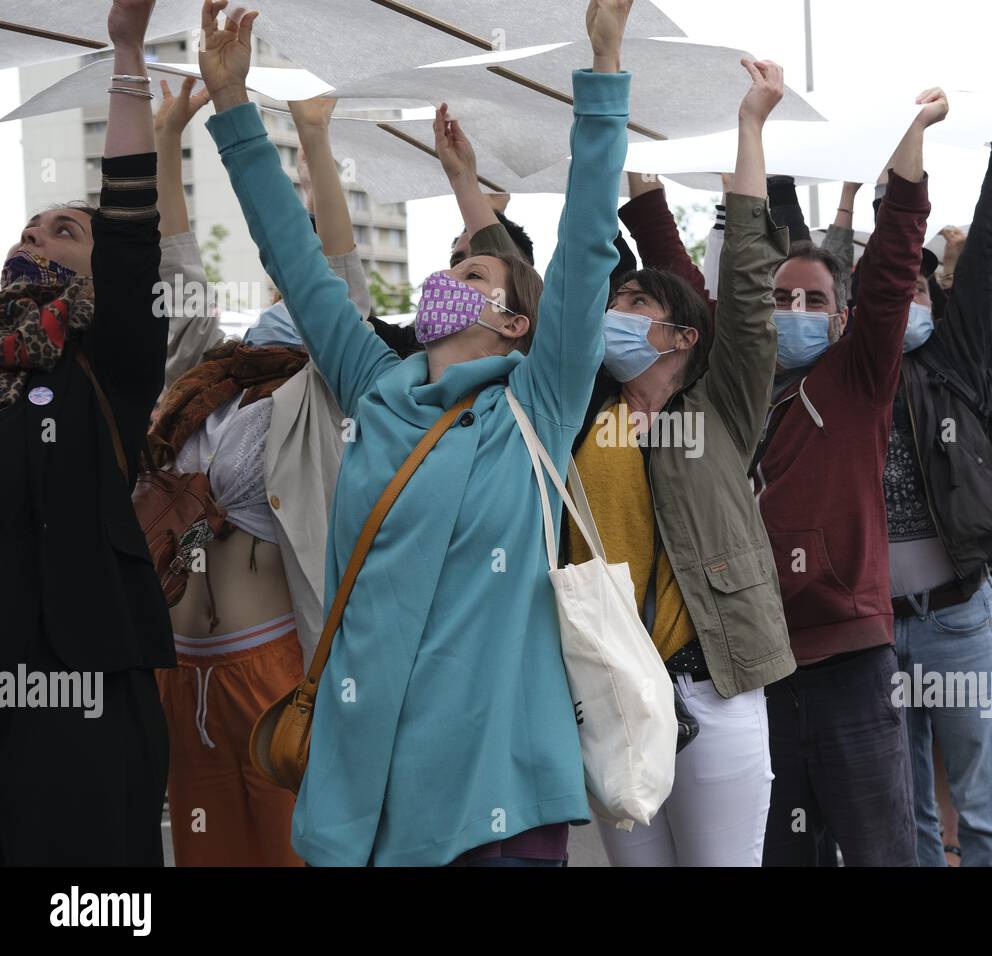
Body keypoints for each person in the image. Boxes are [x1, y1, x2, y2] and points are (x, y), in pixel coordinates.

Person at [197, 0, 633, 866]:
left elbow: (586, 248)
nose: (445, 279)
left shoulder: (535, 404)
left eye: (470, 272)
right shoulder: (371, 382)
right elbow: (293, 255)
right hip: (368, 776)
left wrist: (605, 68)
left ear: (516, 324)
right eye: (447, 267)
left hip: (496, 782)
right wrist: (233, 109)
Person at [556, 57, 794, 867]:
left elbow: (752, 290)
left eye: (636, 305)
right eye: (613, 303)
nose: (614, 315)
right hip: (613, 694)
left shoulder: (719, 408)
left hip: (710, 689)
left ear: (683, 335)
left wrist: (751, 128)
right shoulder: (581, 413)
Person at [149, 86, 373, 866]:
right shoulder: (200, 379)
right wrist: (166, 137)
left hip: (273, 668)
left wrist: (313, 141)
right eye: (280, 289)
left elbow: (341, 276)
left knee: (290, 856)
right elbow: (176, 271)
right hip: (182, 677)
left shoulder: (320, 386)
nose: (285, 300)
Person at [754, 88, 945, 867]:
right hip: (757, 670)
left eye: (814, 298)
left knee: (879, 853)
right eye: (780, 298)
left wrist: (909, 144)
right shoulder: (730, 392)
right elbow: (679, 268)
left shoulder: (859, 380)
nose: (795, 308)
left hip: (850, 662)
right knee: (781, 856)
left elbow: (895, 262)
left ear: (840, 317)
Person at [0, 0, 172, 865]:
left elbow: (135, 220)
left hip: (92, 673)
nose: (36, 238)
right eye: (30, 229)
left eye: (64, 230)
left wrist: (128, 56)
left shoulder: (112, 357)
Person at [875, 92, 992, 868]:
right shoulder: (838, 382)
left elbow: (983, 257)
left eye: (918, 288)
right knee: (905, 805)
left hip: (956, 620)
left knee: (982, 803)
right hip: (874, 629)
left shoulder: (952, 362)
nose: (905, 298)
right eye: (891, 289)